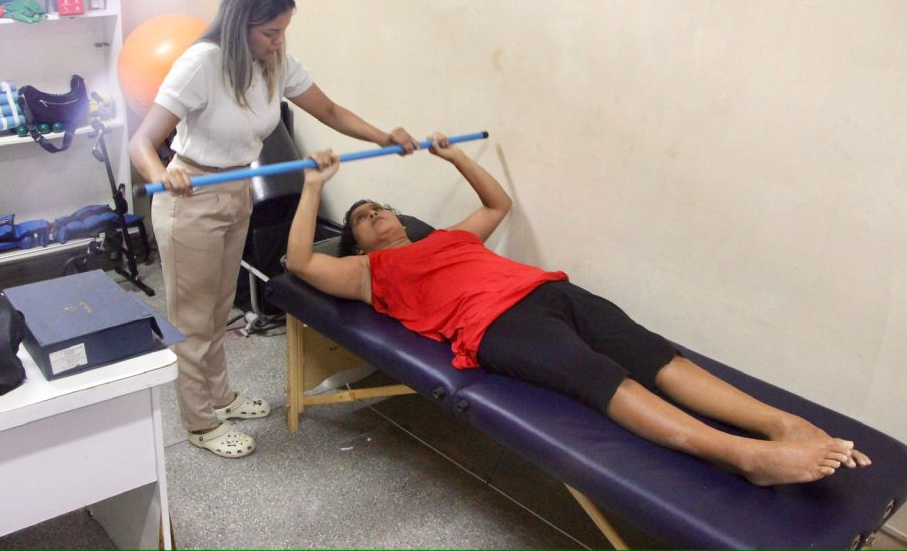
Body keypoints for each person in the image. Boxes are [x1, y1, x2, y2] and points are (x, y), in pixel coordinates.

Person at [285, 135, 872, 486]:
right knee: (600, 376)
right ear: (357, 243)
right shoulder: (368, 273)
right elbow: (301, 262)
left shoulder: (450, 237)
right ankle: (745, 456)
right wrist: (313, 187)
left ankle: (778, 424)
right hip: (496, 325)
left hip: (549, 291)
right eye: (362, 218)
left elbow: (497, 203)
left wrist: (455, 157)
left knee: (654, 355)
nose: (375, 216)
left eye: (379, 208)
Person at [129, 0, 417, 459]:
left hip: (237, 188)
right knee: (193, 317)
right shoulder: (201, 63)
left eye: (283, 30)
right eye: (269, 32)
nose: (278, 41)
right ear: (239, 24)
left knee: (220, 306)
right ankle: (200, 422)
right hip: (192, 195)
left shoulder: (276, 62)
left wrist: (382, 136)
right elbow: (142, 141)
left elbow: (329, 111)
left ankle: (220, 395)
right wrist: (162, 172)